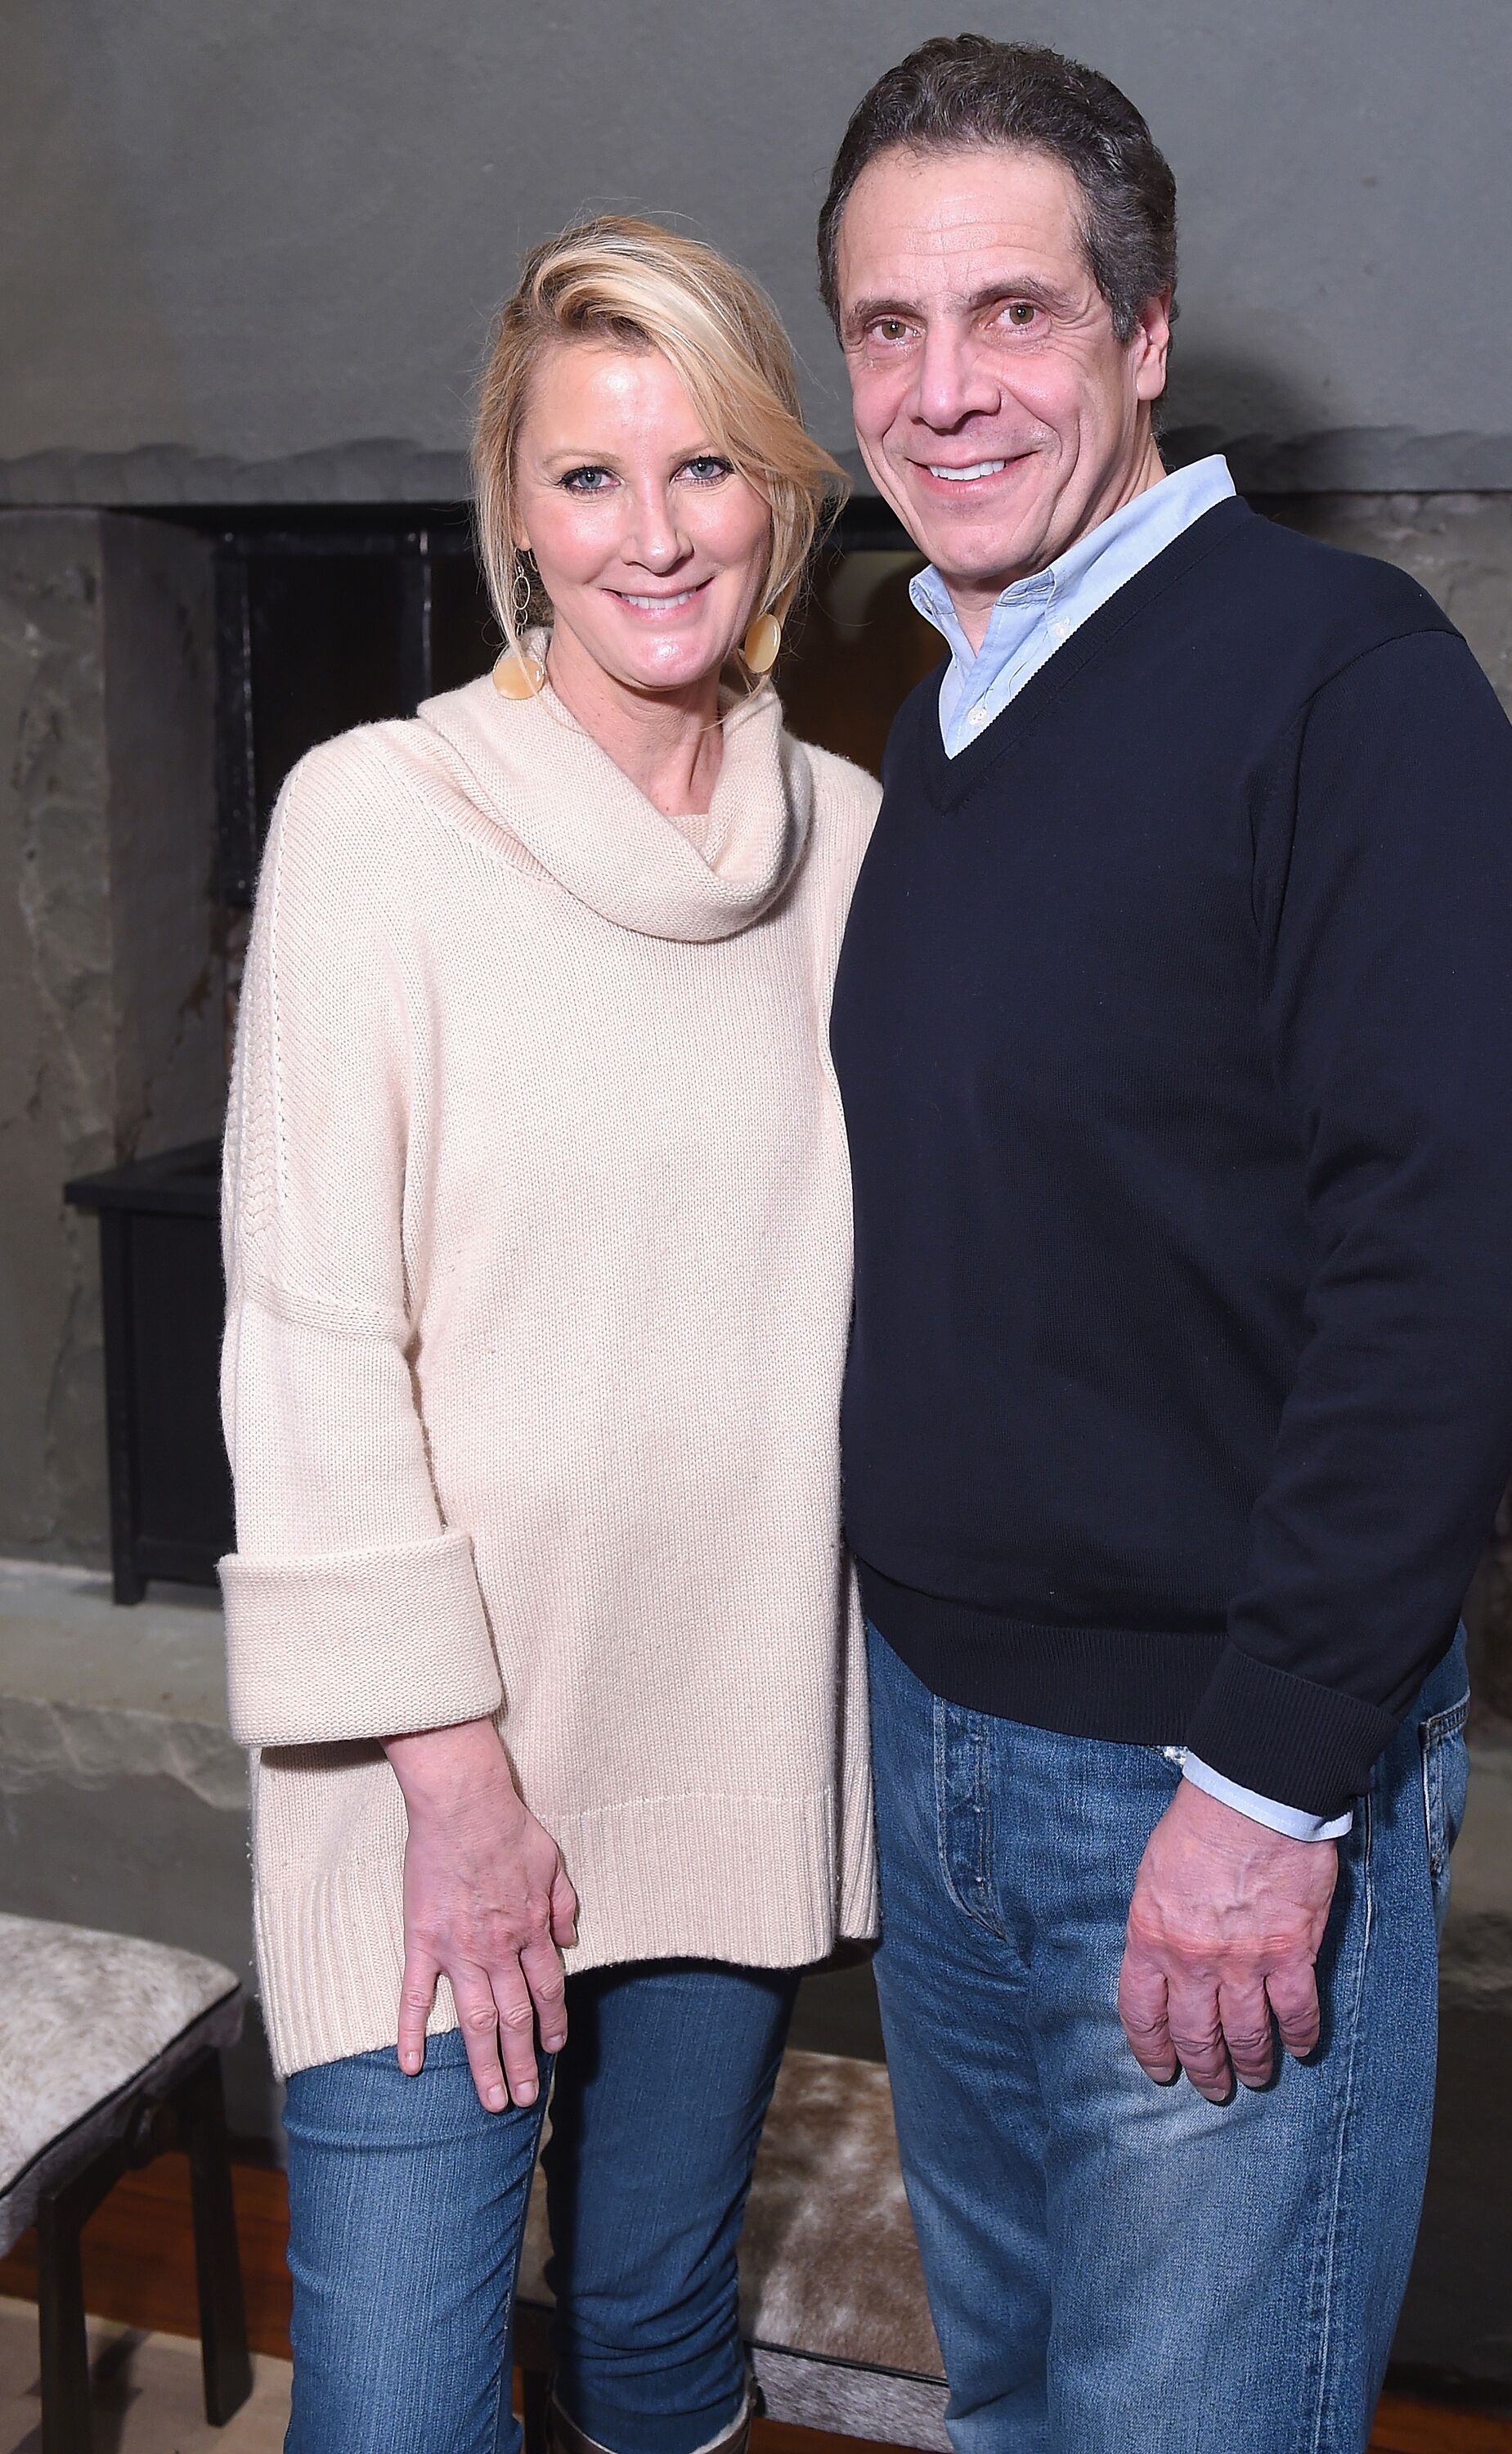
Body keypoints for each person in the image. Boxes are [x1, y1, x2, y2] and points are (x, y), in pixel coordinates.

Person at [819, 36, 1512, 2454]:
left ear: (1144, 335)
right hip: (944, 1749)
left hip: (1205, 1774)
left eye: (1015, 317)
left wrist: (1267, 1801)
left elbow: (1450, 1263)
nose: (947, 395)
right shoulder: (948, 711)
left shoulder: (1347, 686)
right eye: (889, 331)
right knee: (1026, 2404)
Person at [217, 217, 880, 2454]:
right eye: (589, 477)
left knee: (662, 2339)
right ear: (511, 506)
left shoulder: (859, 854)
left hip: (722, 1724)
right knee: (402, 2409)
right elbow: (311, 1339)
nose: (651, 532)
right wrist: (456, 1783)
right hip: (432, 1788)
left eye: (702, 468)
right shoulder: (377, 825)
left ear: (780, 497)